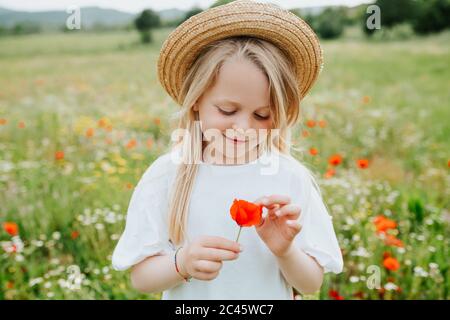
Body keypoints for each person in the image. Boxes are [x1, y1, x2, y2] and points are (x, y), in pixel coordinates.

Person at [112, 0, 343, 300]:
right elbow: (141, 278)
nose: (243, 128)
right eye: (227, 110)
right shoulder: (167, 175)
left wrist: (285, 250)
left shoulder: (289, 178)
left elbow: (311, 284)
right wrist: (181, 263)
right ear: (195, 99)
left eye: (262, 115)